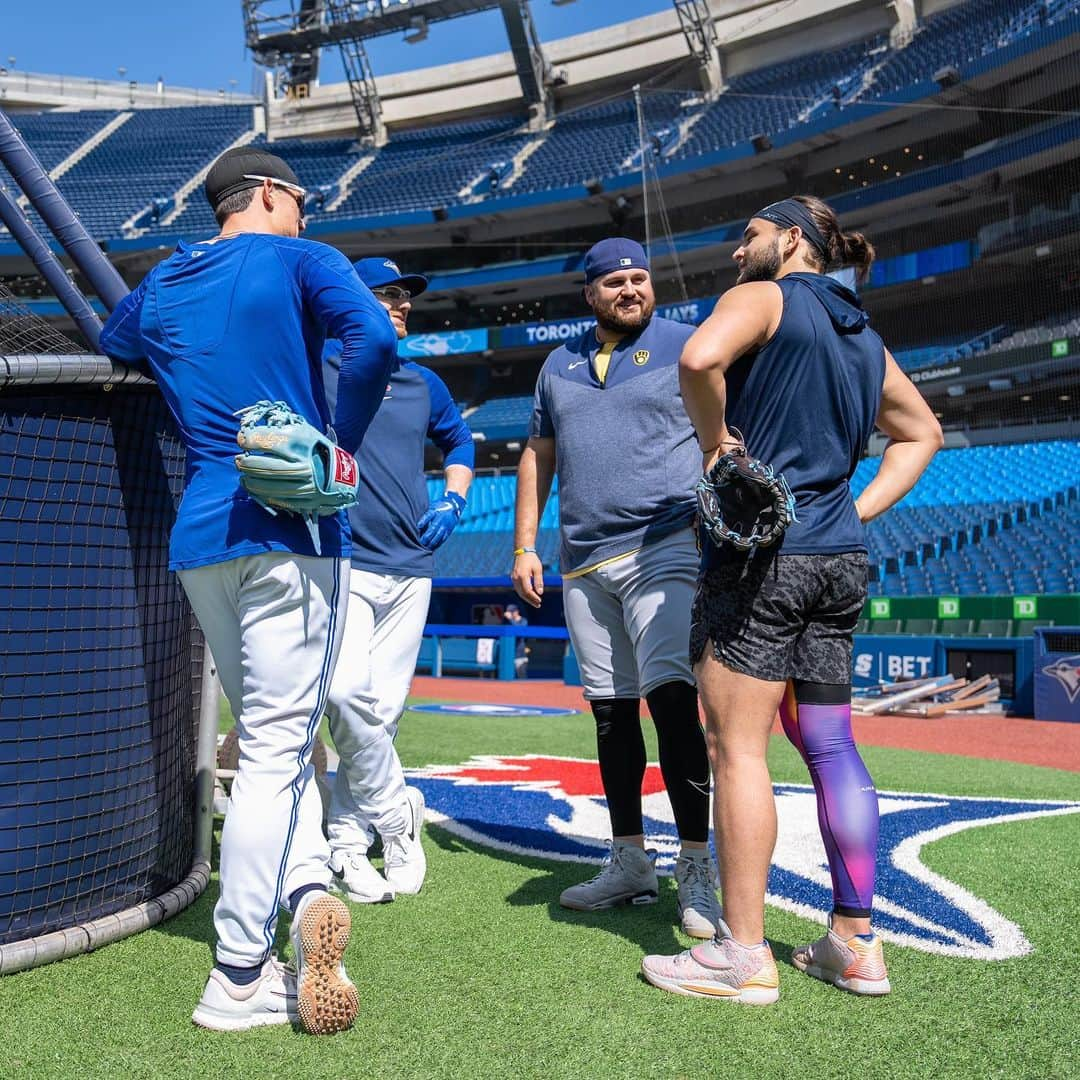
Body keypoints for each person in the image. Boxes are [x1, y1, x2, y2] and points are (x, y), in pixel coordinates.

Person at [99, 146, 399, 1033]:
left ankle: (304, 887)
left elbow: (116, 348)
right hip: (289, 525)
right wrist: (336, 441)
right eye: (302, 201)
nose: (307, 216)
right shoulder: (303, 257)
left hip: (199, 536)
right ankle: (238, 973)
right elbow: (378, 339)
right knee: (277, 746)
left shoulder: (161, 281)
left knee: (271, 736)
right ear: (272, 193)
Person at [641, 195, 943, 1004]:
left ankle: (743, 957)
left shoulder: (766, 297)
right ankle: (855, 944)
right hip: (840, 557)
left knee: (737, 750)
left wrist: (715, 449)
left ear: (792, 240)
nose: (737, 254)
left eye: (747, 236)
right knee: (833, 748)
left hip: (763, 558)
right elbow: (922, 433)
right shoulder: (863, 331)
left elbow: (699, 359)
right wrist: (858, 509)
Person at [512, 237, 721, 938]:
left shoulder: (688, 346)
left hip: (664, 544)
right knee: (610, 712)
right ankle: (630, 859)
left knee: (671, 701)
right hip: (580, 559)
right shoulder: (557, 363)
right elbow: (537, 455)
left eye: (640, 278)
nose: (632, 289)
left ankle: (697, 864)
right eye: (616, 282)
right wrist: (523, 545)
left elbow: (726, 433)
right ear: (589, 293)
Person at [322, 257, 474, 903]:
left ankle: (349, 842)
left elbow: (460, 442)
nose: (403, 304)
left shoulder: (422, 381)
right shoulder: (317, 363)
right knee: (342, 692)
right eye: (388, 295)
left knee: (384, 713)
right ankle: (396, 817)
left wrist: (455, 500)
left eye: (407, 296)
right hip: (342, 556)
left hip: (411, 566)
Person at [503, 603, 529, 677]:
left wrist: (511, 619)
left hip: (520, 654)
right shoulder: (508, 621)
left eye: (511, 612)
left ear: (516, 612)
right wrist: (509, 620)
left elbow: (519, 631)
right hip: (509, 654)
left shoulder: (523, 620)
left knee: (522, 676)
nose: (509, 614)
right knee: (509, 677)